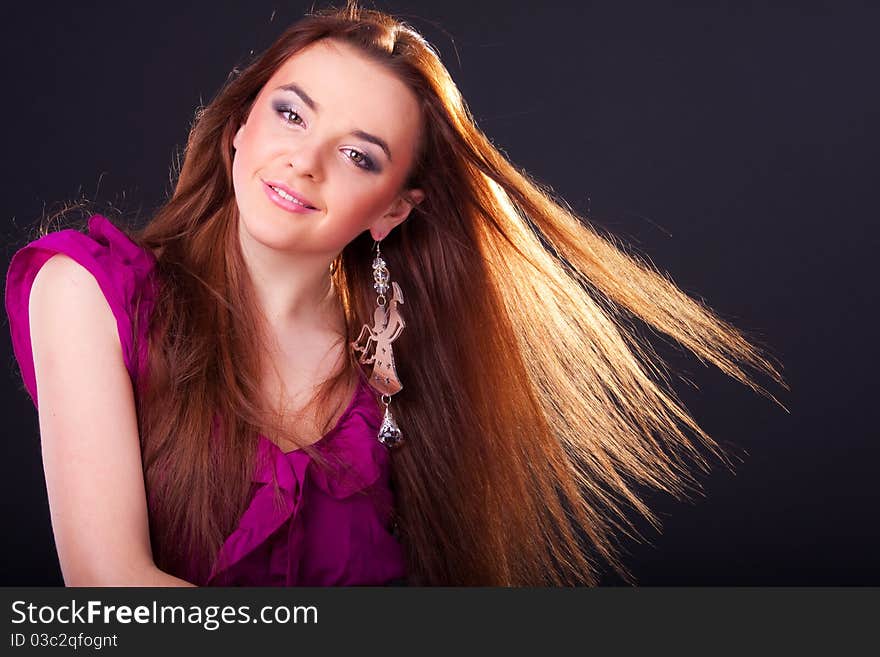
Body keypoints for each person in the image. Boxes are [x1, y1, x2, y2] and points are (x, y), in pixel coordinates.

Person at [4, 1, 786, 587]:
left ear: (392, 210)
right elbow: (110, 592)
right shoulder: (87, 291)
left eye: (357, 154)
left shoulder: (404, 379)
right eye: (288, 113)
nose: (304, 162)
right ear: (239, 125)